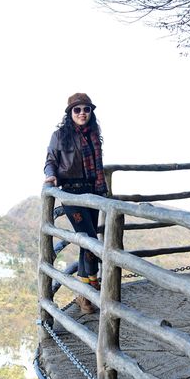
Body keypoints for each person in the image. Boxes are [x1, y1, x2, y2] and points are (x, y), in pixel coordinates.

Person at [44, 93, 107, 314]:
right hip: (71, 194)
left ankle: (85, 292)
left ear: (91, 112)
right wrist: (51, 176)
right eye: (77, 109)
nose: (82, 113)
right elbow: (50, 160)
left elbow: (97, 168)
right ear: (70, 113)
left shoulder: (93, 134)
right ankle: (89, 287)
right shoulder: (60, 136)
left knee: (86, 242)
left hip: (93, 193)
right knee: (89, 240)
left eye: (86, 109)